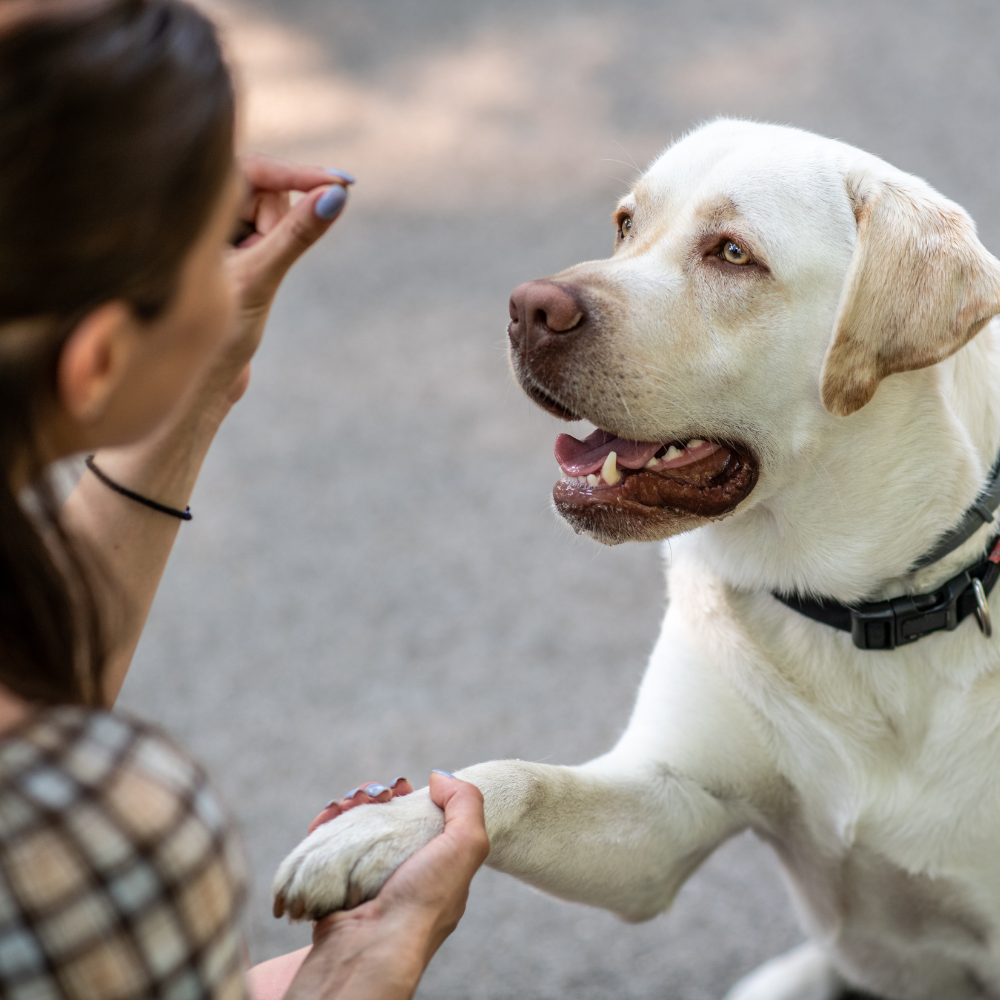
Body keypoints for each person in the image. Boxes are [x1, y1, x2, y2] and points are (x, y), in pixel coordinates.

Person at [0, 1, 490, 998]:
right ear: (96, 359)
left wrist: (196, 385)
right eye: (199, 251)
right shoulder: (89, 833)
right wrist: (359, 972)